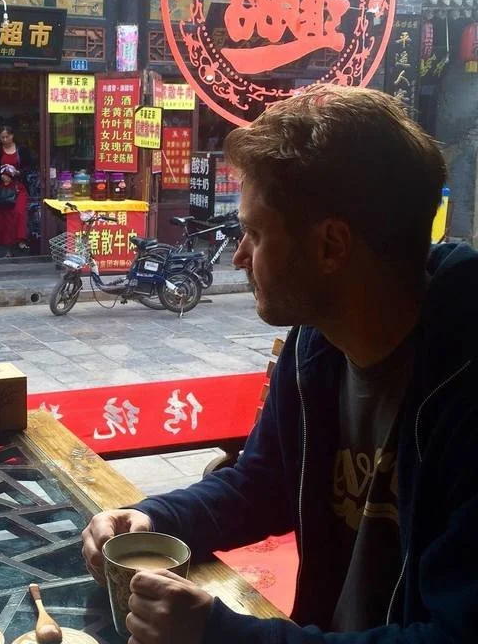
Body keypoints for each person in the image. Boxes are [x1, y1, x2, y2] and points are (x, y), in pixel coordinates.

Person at [81, 86, 478, 642]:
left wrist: (223, 635)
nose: (240, 256)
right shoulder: (315, 344)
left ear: (331, 246)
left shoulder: (464, 387)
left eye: (255, 233)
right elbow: (264, 482)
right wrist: (155, 519)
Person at [0, 125, 35, 257]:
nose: (4, 139)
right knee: (5, 217)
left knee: (19, 212)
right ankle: (8, 249)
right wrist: (0, 176)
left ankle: (21, 240)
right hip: (3, 188)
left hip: (18, 187)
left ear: (12, 136)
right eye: (2, 137)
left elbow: (29, 167)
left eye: (6, 137)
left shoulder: (22, 150)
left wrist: (18, 173)